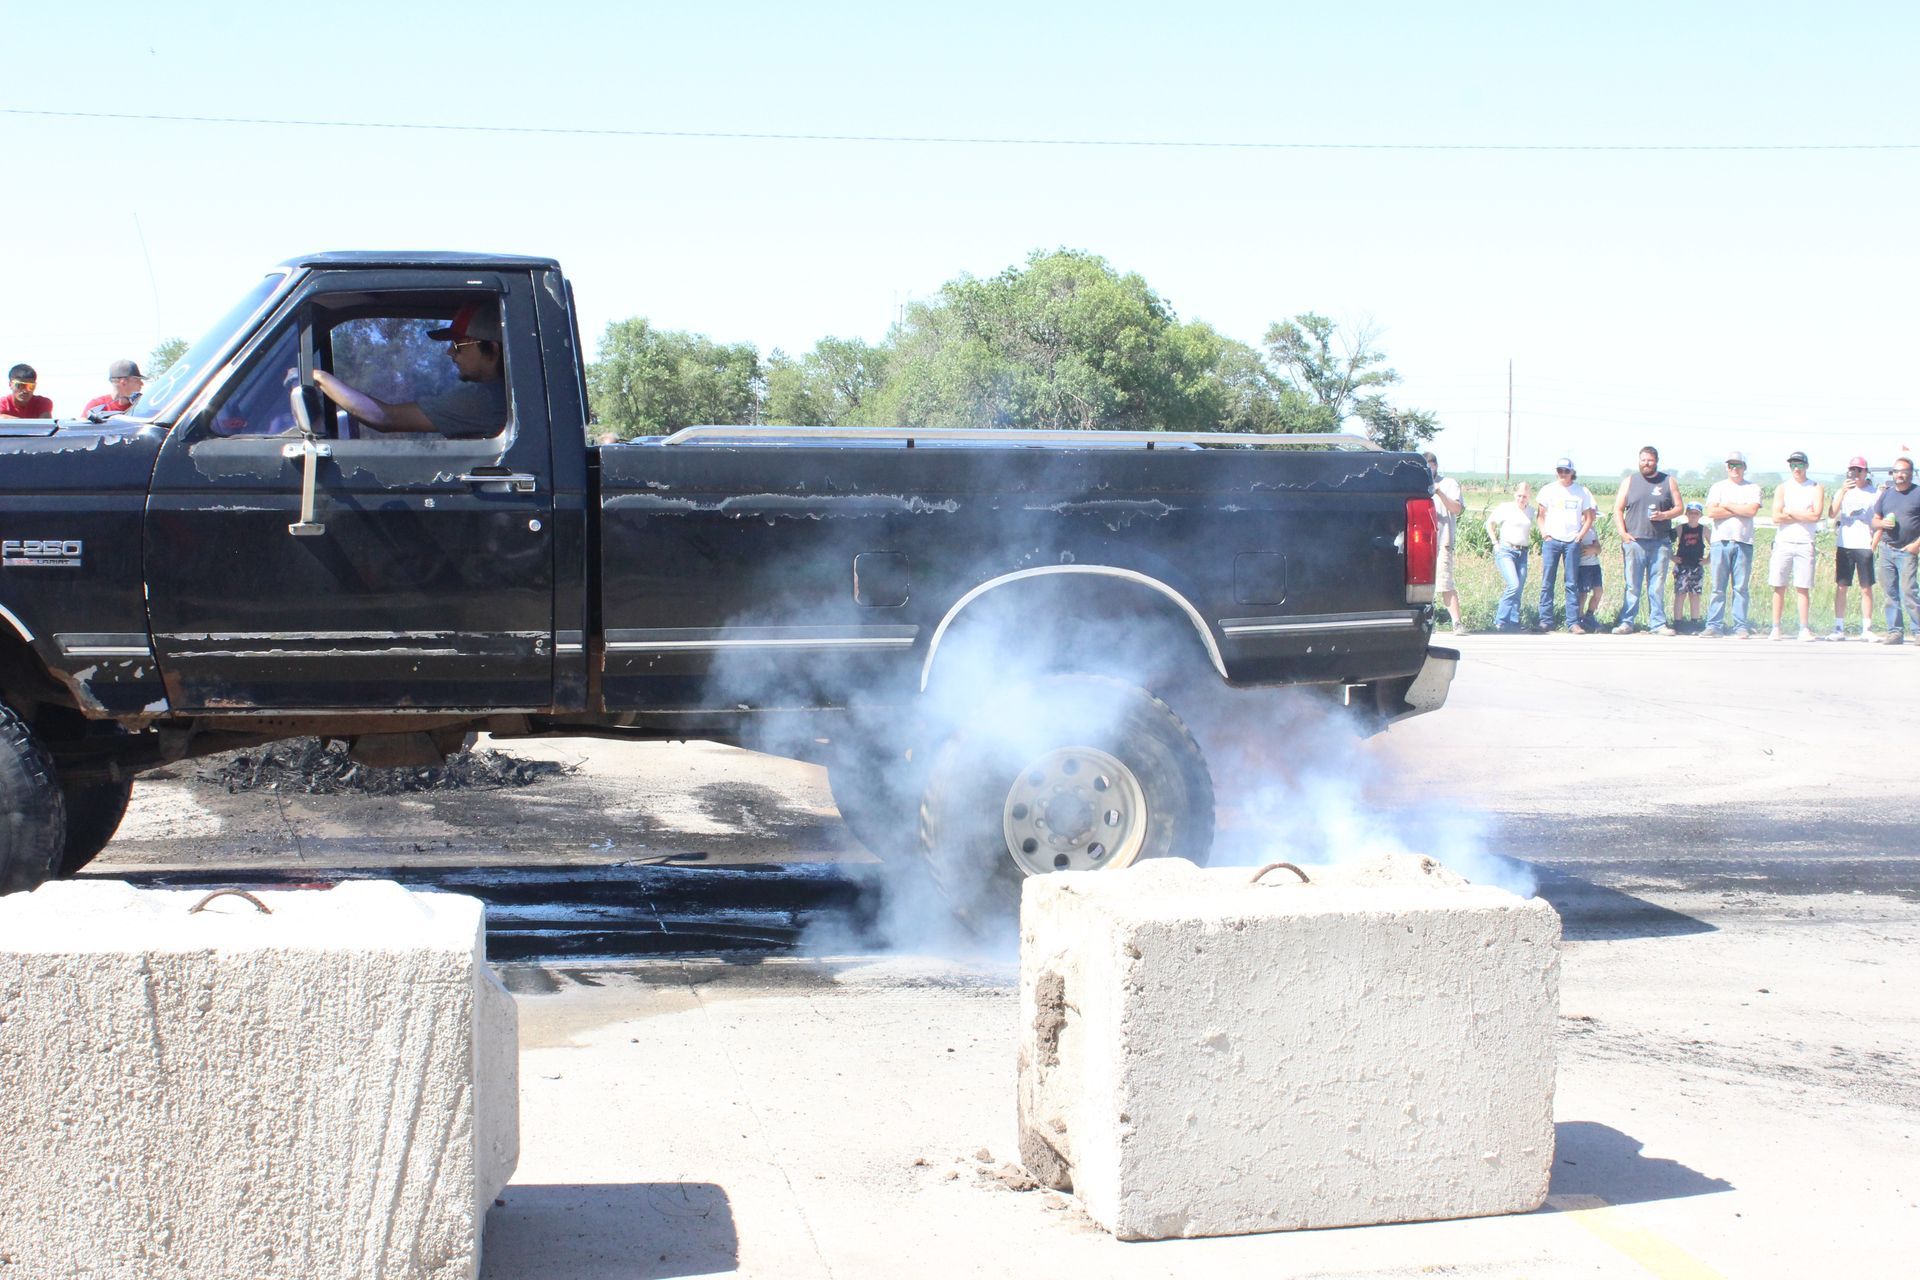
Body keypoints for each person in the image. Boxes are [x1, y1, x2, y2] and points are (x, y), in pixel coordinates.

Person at [312, 302, 508, 437]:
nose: (450, 352)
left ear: (492, 348)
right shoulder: (501, 396)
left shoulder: (483, 398)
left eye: (458, 345)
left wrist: (319, 377)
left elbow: (385, 418)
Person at [1611, 446, 1682, 635]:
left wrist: (1664, 515)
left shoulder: (1668, 481)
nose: (1646, 463)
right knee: (1632, 586)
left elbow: (1679, 508)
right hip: (1634, 541)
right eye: (1643, 460)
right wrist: (1623, 533)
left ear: (1656, 461)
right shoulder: (1630, 481)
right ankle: (1627, 622)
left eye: (1649, 460)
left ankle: (1658, 624)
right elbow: (1617, 509)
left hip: (1660, 543)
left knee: (1656, 586)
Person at [1702, 451, 1762, 638]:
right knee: (1718, 587)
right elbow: (1712, 512)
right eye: (1731, 465)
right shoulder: (1717, 487)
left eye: (1738, 465)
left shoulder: (1753, 488)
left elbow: (1751, 510)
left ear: (1744, 467)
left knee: (1741, 588)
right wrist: (1738, 509)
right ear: (1726, 468)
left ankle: (1740, 626)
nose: (1734, 469)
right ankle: (1714, 626)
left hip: (1743, 541)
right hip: (1721, 541)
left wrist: (1727, 506)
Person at [1768, 450, 1825, 641]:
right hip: (1783, 541)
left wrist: (1789, 512)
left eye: (1799, 464)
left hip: (1805, 542)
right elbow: (1776, 516)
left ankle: (1803, 628)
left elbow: (1815, 516)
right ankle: (1775, 627)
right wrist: (1802, 514)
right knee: (1779, 585)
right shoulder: (1783, 488)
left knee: (1803, 586)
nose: (1796, 468)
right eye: (1793, 465)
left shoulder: (1816, 487)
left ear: (1806, 466)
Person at [1535, 458, 1596, 634]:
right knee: (1547, 582)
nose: (1563, 474)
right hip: (1552, 540)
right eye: (1560, 471)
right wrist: (1544, 534)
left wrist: (1579, 537)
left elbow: (1589, 517)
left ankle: (1573, 622)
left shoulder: (1582, 492)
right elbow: (1540, 515)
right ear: (1557, 472)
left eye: (1566, 471)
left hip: (1572, 542)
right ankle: (1545, 620)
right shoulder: (1548, 490)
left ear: (1572, 473)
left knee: (1571, 582)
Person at [1827, 456, 1878, 640]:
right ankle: (1839, 627)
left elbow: (1879, 518)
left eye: (1859, 470)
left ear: (1865, 472)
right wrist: (1842, 491)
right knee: (1841, 586)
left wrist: (1874, 542)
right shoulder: (1843, 491)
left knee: (1866, 587)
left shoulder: (1874, 493)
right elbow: (1832, 513)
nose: (1855, 473)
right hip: (1845, 544)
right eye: (1852, 470)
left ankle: (1867, 628)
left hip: (1864, 543)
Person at [1871, 457, 1920, 644]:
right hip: (1887, 549)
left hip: (1908, 550)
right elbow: (1875, 519)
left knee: (1908, 591)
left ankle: (1918, 630)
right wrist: (1880, 523)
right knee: (1890, 592)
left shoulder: (1917, 493)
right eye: (1896, 471)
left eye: (1903, 471)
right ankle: (1895, 632)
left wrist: (1917, 545)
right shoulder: (1887, 494)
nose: (1899, 474)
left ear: (1911, 472)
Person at [1484, 481, 1534, 632]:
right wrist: (1495, 543)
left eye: (1524, 496)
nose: (1521, 499)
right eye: (1519, 495)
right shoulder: (1506, 508)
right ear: (1514, 495)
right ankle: (1500, 620)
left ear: (1529, 497)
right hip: (1506, 550)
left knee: (1519, 588)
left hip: (1522, 552)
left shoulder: (1530, 511)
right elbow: (1489, 523)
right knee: (1513, 584)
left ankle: (1513, 621)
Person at [1425, 452, 1465, 633]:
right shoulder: (1414, 484)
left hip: (1442, 541)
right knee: (1422, 585)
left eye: (1430, 465)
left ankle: (1457, 622)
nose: (1428, 468)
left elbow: (1457, 509)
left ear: (1436, 466)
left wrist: (1439, 492)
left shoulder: (1449, 484)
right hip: (1421, 543)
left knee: (1445, 582)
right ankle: (1427, 623)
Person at [1671, 502, 1708, 630]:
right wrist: (1671, 556)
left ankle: (1694, 622)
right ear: (1686, 514)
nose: (1693, 515)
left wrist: (1708, 560)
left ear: (1700, 515)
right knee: (1680, 594)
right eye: (1690, 513)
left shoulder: (1704, 529)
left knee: (1695, 595)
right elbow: (1665, 541)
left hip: (1696, 566)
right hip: (1682, 566)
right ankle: (1678, 622)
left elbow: (1716, 544)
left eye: (1696, 513)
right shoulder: (1680, 528)